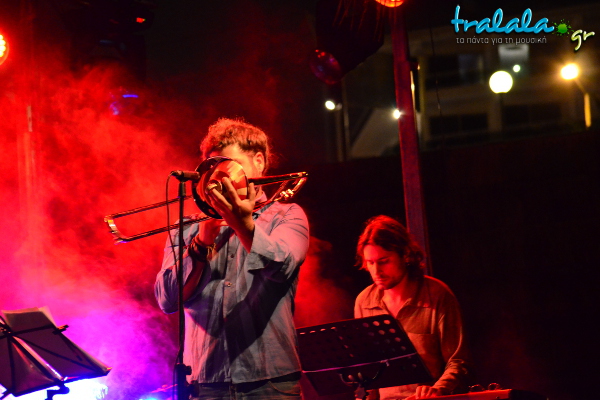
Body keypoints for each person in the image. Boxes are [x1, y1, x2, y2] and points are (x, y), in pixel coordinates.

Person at [155, 117, 310, 399]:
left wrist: (244, 225)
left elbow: (281, 269)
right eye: (214, 168)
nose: (221, 177)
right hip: (205, 383)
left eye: (231, 165)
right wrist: (200, 243)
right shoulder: (187, 228)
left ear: (258, 162)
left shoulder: (287, 215)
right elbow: (167, 299)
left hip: (270, 382)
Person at [354, 216, 470, 400]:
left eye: (384, 261)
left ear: (405, 255)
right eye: (370, 263)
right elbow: (368, 370)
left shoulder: (437, 295)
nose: (376, 271)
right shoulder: (364, 302)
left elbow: (458, 361)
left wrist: (438, 390)